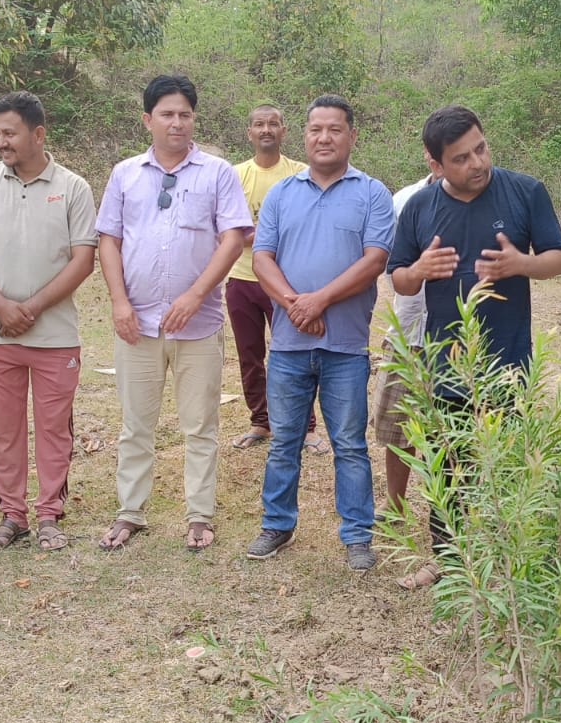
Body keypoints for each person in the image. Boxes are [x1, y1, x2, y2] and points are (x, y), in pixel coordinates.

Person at [387, 105, 561, 589]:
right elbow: (400, 280)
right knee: (447, 466)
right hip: (445, 362)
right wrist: (419, 271)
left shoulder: (525, 191)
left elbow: (558, 259)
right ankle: (447, 560)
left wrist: (518, 265)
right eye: (462, 158)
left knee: (505, 465)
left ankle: (506, 564)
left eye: (481, 149)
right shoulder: (420, 208)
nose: (477, 163)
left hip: (508, 361)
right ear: (435, 164)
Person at [94, 74, 252, 552]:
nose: (176, 122)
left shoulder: (217, 172)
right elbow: (109, 240)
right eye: (166, 113)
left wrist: (196, 295)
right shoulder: (125, 174)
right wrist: (119, 302)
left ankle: (200, 515)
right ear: (148, 120)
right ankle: (130, 512)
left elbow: (233, 237)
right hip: (135, 324)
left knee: (200, 424)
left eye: (184, 113)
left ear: (194, 119)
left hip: (197, 325)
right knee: (136, 424)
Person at [245, 95, 395, 570]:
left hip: (345, 345)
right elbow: (261, 258)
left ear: (352, 136)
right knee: (285, 439)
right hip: (289, 345)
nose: (324, 137)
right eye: (315, 129)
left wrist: (320, 300)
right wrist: (294, 304)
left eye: (334, 129)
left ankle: (357, 535)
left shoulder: (372, 193)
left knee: (349, 444)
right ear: (304, 135)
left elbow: (375, 260)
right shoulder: (282, 194)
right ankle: (277, 523)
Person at [0, 91, 98, 555]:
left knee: (55, 427)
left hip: (55, 335)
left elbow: (83, 259)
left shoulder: (73, 187)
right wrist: (0, 305)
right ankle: (12, 514)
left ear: (38, 134)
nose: (0, 141)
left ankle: (49, 514)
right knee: (2, 427)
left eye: (9, 132)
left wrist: (32, 307)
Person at [227, 105, 318, 452]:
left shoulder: (300, 173)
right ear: (249, 132)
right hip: (241, 279)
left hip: (287, 281)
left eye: (273, 124)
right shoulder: (234, 175)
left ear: (284, 130)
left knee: (296, 352)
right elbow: (230, 227)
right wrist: (268, 234)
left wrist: (259, 234)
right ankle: (260, 422)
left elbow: (307, 224)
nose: (266, 130)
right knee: (249, 353)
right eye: (259, 125)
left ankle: (306, 427)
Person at [375, 164, 435, 517]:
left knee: (447, 431)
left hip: (459, 336)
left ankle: (444, 511)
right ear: (431, 155)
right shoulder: (405, 200)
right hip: (409, 328)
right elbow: (390, 268)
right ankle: (395, 503)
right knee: (397, 425)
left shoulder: (483, 200)